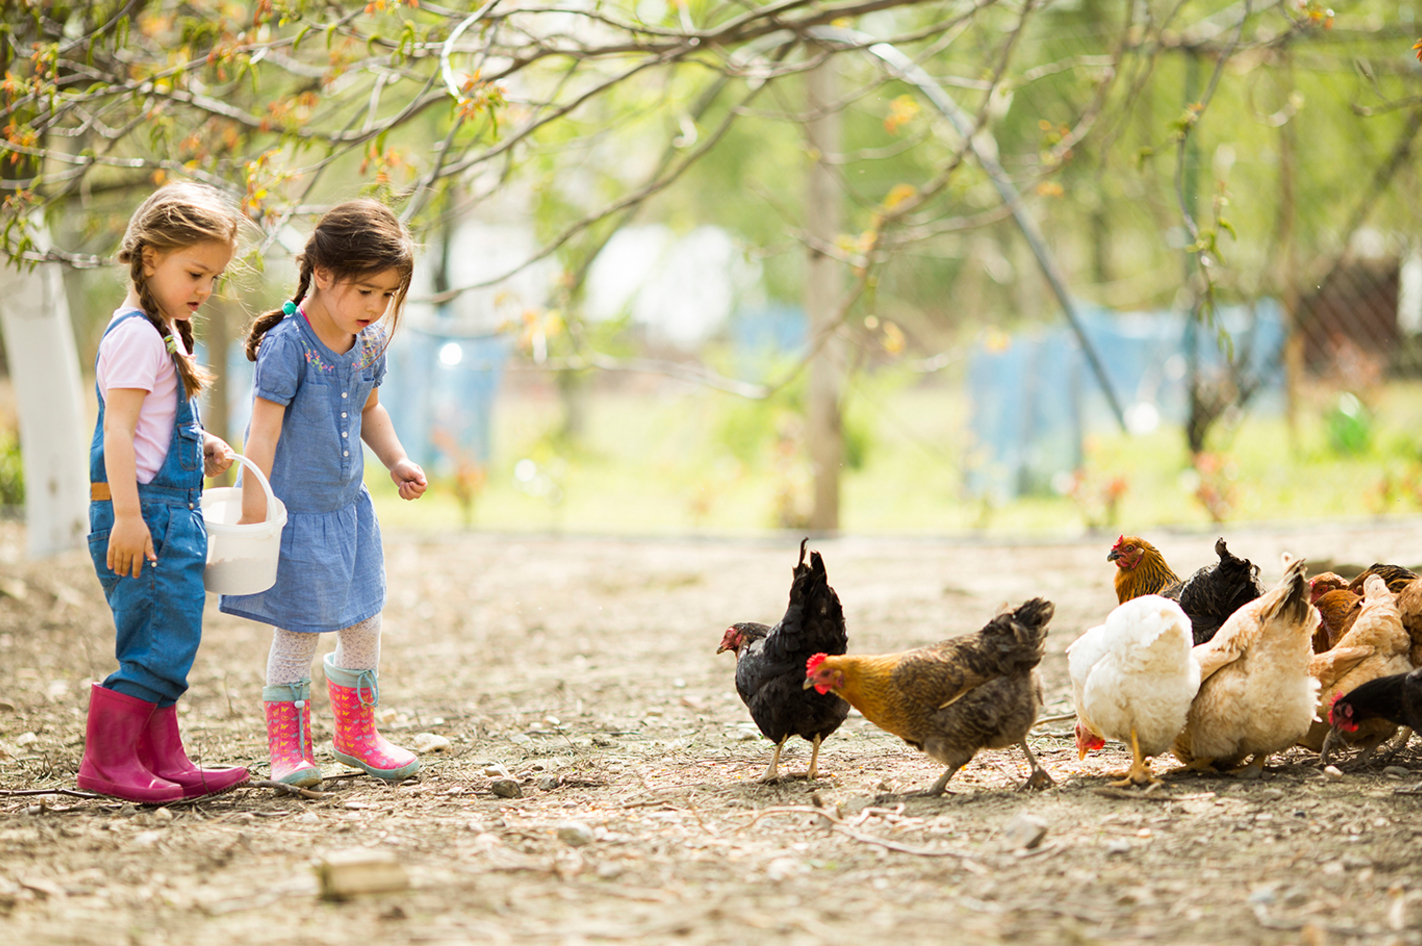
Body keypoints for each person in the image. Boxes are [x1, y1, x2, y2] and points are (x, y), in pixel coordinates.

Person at [220, 199, 427, 788]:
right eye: (366, 291)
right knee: (301, 627)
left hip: (348, 514)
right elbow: (260, 435)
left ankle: (356, 734)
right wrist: (252, 511)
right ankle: (288, 746)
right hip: (296, 516)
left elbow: (372, 411)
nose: (376, 307)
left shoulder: (366, 345)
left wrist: (396, 459)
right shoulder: (289, 346)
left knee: (364, 618)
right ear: (323, 274)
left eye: (387, 295)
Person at [80, 182, 250, 803]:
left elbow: (153, 426)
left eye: (213, 278)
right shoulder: (135, 335)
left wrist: (199, 443)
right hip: (143, 514)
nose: (204, 290)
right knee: (154, 641)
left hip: (169, 512)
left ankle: (161, 756)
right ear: (150, 258)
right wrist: (127, 516)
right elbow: (116, 435)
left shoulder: (166, 330)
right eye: (195, 273)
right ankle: (107, 763)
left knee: (171, 635)